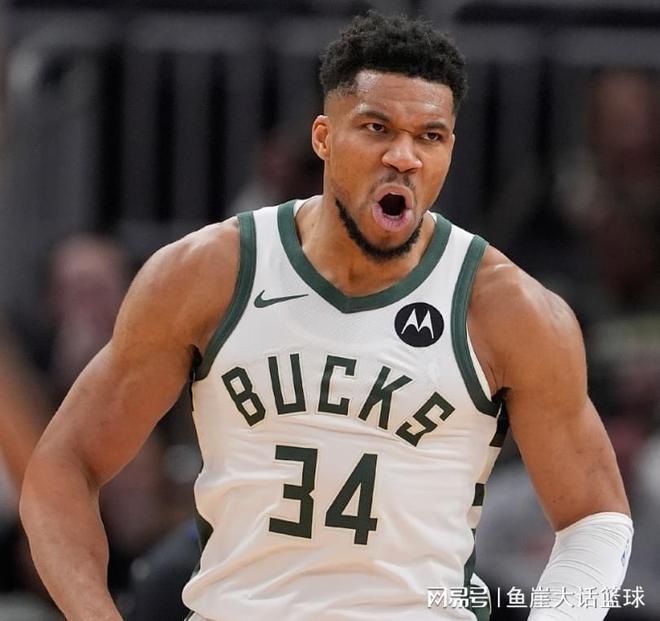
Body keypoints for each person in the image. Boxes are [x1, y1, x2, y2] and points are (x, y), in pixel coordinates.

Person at [20, 12, 632, 621]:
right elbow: (63, 466)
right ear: (323, 137)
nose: (404, 157)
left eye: (430, 136)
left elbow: (595, 518)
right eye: (376, 128)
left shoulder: (506, 307)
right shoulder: (209, 273)